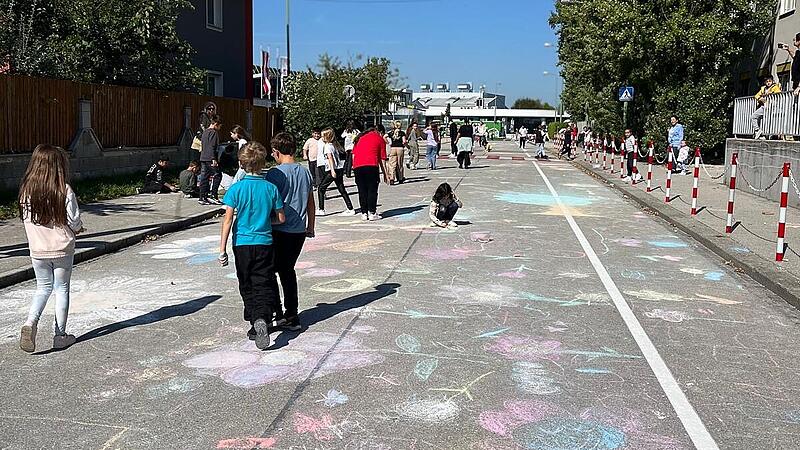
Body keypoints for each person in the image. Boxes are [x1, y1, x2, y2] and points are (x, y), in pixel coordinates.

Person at [17, 144, 85, 352]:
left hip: (38, 249)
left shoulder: (26, 192)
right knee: (61, 289)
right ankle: (60, 335)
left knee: (42, 288)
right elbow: (74, 220)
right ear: (59, 166)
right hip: (62, 248)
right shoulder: (64, 190)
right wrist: (79, 228)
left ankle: (30, 323)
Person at [219, 141, 286, 350]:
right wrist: (268, 221)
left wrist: (222, 250)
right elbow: (281, 218)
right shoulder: (270, 188)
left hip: (242, 244)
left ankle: (253, 319)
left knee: (246, 281)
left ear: (241, 163)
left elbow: (228, 220)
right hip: (265, 241)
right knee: (263, 282)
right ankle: (263, 318)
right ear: (262, 163)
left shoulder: (236, 189)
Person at [264, 132, 315, 332]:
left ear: (276, 152)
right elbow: (311, 201)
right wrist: (311, 225)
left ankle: (279, 312)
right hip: (298, 230)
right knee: (287, 270)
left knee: (270, 270)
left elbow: (269, 202)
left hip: (278, 228)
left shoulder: (275, 173)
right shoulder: (304, 172)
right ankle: (291, 313)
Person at [352, 125, 389, 221]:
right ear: (380, 132)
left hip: (357, 166)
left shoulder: (359, 137)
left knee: (362, 190)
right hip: (371, 165)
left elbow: (354, 155)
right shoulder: (379, 139)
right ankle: (372, 212)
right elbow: (382, 159)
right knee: (372, 190)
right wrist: (385, 174)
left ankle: (364, 213)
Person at [316, 128, 356, 216]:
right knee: (341, 189)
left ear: (327, 137)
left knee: (321, 188)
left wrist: (332, 170)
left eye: (323, 136)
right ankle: (350, 208)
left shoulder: (327, 146)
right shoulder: (333, 145)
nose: (321, 137)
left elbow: (330, 159)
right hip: (339, 169)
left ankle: (321, 209)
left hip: (333, 170)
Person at [199, 115, 223, 205]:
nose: (220, 128)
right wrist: (213, 158)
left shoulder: (205, 132)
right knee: (217, 175)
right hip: (210, 157)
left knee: (204, 177)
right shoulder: (213, 132)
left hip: (203, 157)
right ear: (216, 124)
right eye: (220, 126)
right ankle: (213, 195)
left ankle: (202, 197)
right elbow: (212, 146)